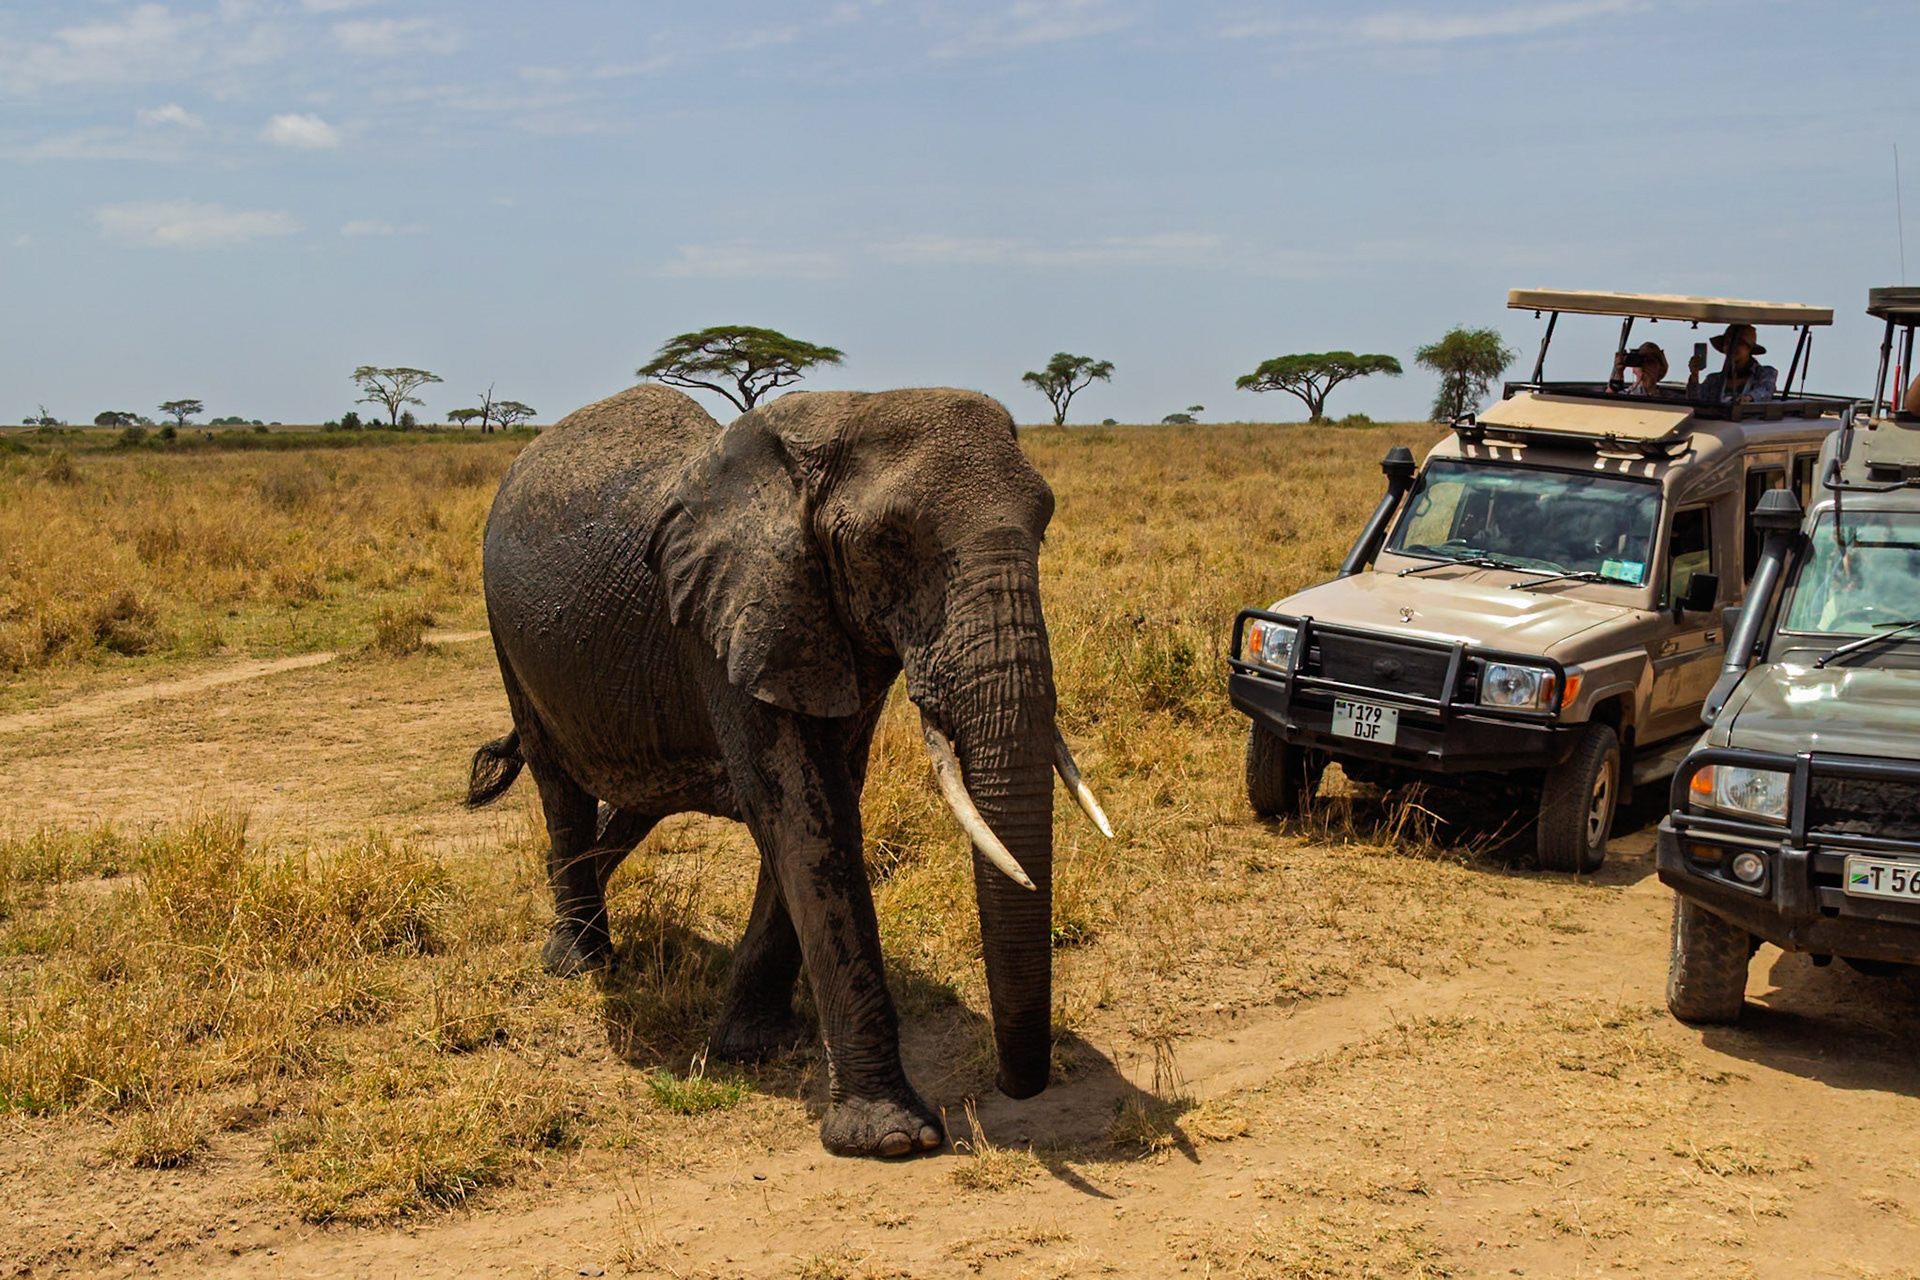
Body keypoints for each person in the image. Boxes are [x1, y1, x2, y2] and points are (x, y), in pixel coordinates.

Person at [1687, 323, 1777, 403]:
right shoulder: (1714, 379)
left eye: (1739, 343)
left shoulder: (1765, 373)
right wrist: (1695, 375)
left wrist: (1748, 398)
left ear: (1749, 348)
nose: (1731, 347)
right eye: (1727, 343)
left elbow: (1766, 390)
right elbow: (1696, 402)